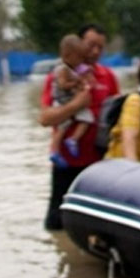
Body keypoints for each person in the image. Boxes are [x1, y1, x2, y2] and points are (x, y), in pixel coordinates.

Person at [39, 24, 120, 230]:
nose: (95, 51)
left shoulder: (108, 77)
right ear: (78, 45)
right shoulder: (59, 76)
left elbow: (117, 116)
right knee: (57, 224)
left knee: (96, 226)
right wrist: (76, 105)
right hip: (66, 162)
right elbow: (45, 118)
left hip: (99, 163)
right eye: (91, 45)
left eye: (100, 47)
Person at [48, 34, 95, 167]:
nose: (81, 61)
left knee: (63, 127)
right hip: (63, 101)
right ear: (67, 56)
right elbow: (63, 85)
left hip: (65, 101)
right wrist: (76, 83)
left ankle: (56, 150)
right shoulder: (62, 69)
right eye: (79, 57)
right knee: (86, 119)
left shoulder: (72, 68)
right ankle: (68, 142)